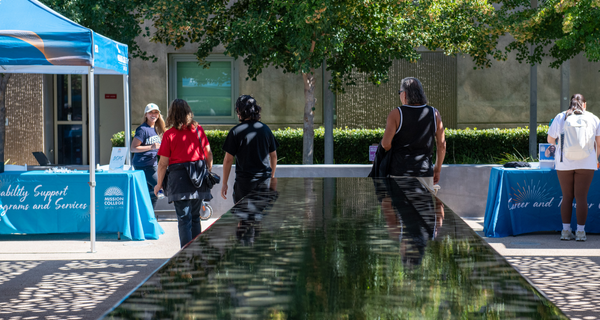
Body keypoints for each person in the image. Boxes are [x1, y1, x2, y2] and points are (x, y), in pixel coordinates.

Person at [155, 99, 213, 248]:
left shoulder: (169, 135)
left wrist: (158, 184)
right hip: (198, 179)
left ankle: (185, 255)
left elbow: (163, 163)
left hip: (179, 179)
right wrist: (208, 170)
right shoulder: (198, 130)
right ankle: (196, 253)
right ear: (188, 112)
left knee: (184, 218)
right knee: (195, 217)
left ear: (171, 114)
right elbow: (208, 153)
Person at [547, 93, 600, 241]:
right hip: (587, 162)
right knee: (581, 197)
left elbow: (551, 139)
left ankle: (565, 231)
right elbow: (599, 143)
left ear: (570, 104)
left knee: (567, 197)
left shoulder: (561, 117)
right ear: (584, 104)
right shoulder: (593, 118)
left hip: (564, 162)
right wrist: (595, 160)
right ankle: (581, 233)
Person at [381, 77, 446, 192]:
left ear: (404, 94)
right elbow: (441, 145)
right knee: (423, 208)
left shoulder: (396, 114)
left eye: (399, 92)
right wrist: (437, 169)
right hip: (424, 172)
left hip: (399, 172)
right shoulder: (434, 113)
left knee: (400, 209)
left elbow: (385, 144)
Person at [221, 95, 279, 203]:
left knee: (244, 217)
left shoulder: (235, 132)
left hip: (244, 183)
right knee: (260, 216)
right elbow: (273, 156)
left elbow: (228, 160)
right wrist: (272, 176)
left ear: (238, 111)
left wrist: (224, 183)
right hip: (264, 181)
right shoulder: (265, 129)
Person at [130, 103, 165, 209]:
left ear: (158, 115)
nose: (153, 114)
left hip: (153, 165)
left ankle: (150, 218)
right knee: (160, 188)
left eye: (156, 112)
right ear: (146, 115)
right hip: (143, 165)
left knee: (154, 194)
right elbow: (133, 148)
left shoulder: (157, 128)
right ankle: (136, 199)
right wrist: (151, 147)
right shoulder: (142, 129)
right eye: (150, 112)